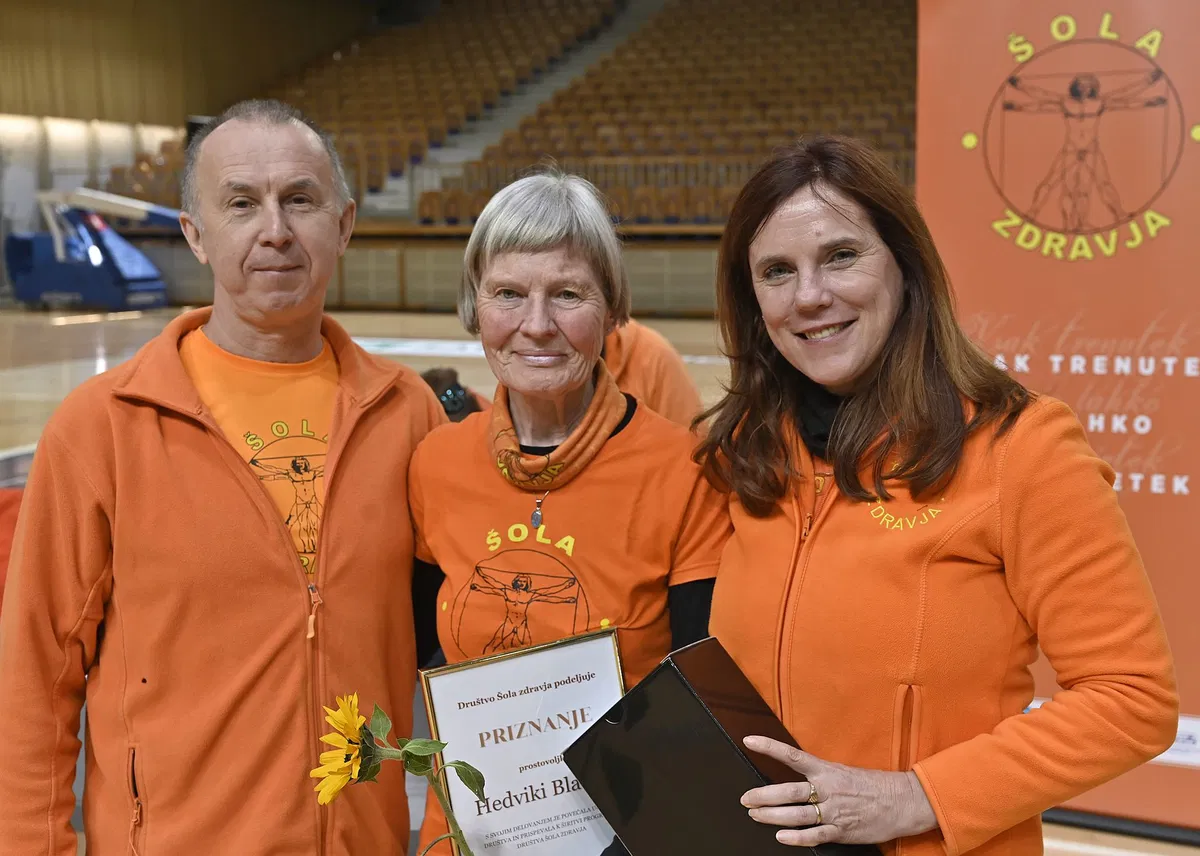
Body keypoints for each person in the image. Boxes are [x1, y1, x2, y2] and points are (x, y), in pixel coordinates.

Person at [696, 136, 1178, 855]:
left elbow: (1132, 699)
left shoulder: (1024, 449)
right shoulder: (748, 454)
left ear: (904, 265)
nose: (810, 296)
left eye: (841, 255)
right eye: (776, 271)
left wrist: (920, 796)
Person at [0, 99, 446, 854]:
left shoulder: (406, 414)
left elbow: (469, 633)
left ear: (342, 225)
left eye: (299, 200)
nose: (274, 229)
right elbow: (36, 674)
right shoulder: (102, 425)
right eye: (241, 203)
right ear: (196, 234)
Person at [408, 171, 731, 855]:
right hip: (471, 834)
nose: (536, 324)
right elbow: (417, 653)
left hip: (628, 834)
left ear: (613, 309)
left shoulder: (685, 471)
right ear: (474, 307)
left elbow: (698, 698)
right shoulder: (434, 464)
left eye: (568, 294)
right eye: (508, 294)